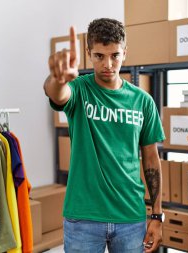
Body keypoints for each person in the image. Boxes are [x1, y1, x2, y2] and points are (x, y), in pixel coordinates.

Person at [44, 18, 166, 253]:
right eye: (99, 56)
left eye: (115, 55)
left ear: (125, 53)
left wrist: (157, 215)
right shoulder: (79, 89)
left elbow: (151, 159)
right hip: (83, 217)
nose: (108, 64)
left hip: (130, 216)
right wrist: (58, 79)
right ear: (89, 53)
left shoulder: (143, 102)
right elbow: (57, 94)